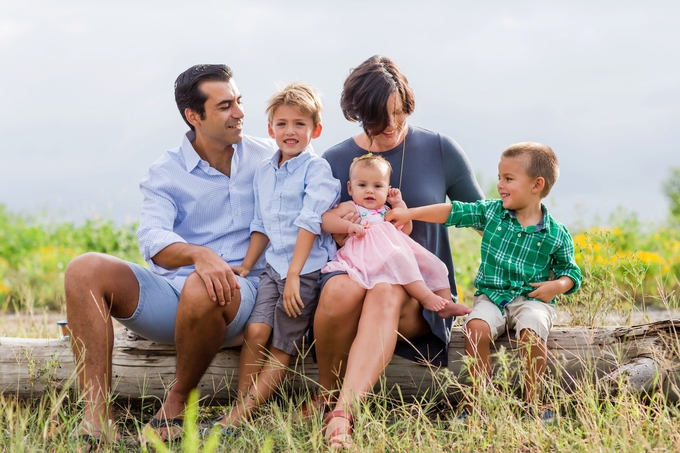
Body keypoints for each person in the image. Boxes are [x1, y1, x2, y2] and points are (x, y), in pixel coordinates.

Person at [64, 64, 278, 445]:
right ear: (193, 116)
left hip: (245, 295)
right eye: (226, 106)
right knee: (84, 269)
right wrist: (198, 254)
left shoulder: (271, 156)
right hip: (174, 299)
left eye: (239, 102)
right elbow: (152, 238)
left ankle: (178, 401)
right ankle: (97, 418)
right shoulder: (166, 171)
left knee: (203, 286)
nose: (240, 113)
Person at [311, 55, 484, 449]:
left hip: (417, 297)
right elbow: (313, 227)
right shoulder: (335, 161)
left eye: (398, 112)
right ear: (356, 112)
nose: (390, 125)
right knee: (340, 289)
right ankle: (324, 394)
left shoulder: (440, 149)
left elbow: (482, 217)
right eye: (377, 117)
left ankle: (342, 414)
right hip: (351, 282)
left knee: (387, 290)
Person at [387, 142, 583, 420]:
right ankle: (477, 401)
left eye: (509, 179)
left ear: (536, 184)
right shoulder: (492, 212)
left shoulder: (556, 233)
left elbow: (571, 272)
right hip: (492, 298)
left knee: (531, 331)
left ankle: (534, 402)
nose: (500, 184)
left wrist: (558, 286)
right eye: (500, 177)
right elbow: (451, 211)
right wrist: (409, 213)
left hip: (532, 300)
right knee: (475, 328)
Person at [209, 83, 340, 431]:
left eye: (300, 124)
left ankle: (237, 419)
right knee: (255, 330)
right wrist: (248, 265)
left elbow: (310, 223)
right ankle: (243, 409)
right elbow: (261, 224)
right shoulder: (264, 172)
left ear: (316, 130)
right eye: (282, 124)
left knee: (282, 345)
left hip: (306, 271)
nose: (290, 131)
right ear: (270, 129)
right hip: (273, 268)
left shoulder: (318, 172)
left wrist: (294, 276)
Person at [321, 153, 452, 314]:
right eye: (362, 185)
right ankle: (426, 297)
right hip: (365, 256)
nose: (370, 191)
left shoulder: (386, 211)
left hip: (393, 254)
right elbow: (326, 219)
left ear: (387, 189)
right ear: (350, 187)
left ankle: (447, 304)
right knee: (398, 257)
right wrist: (347, 226)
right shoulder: (352, 207)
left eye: (377, 186)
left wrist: (398, 203)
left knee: (434, 264)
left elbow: (405, 230)